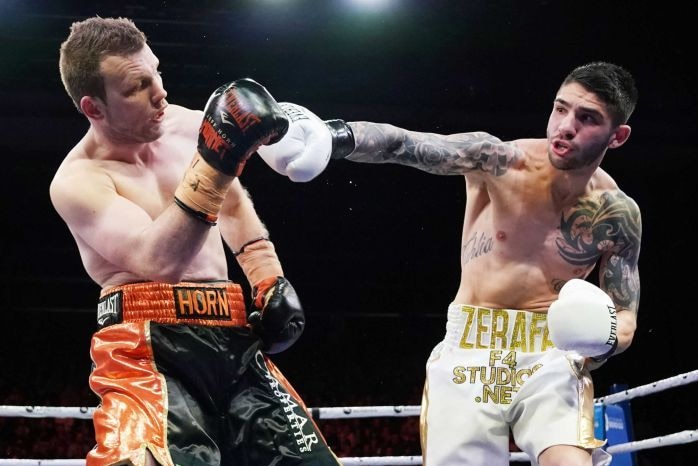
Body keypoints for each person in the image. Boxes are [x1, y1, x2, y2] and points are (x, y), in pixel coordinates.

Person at [256, 61, 641, 466]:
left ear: (617, 136)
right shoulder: (500, 161)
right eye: (561, 109)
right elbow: (403, 144)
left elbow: (625, 314)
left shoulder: (618, 214)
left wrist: (607, 336)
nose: (565, 126)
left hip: (550, 354)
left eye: (587, 119)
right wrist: (334, 136)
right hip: (471, 346)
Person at [50, 16, 341, 466]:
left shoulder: (188, 127)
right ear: (94, 108)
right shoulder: (78, 180)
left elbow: (233, 206)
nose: (160, 92)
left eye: (157, 72)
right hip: (147, 347)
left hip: (232, 333)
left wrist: (268, 276)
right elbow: (156, 258)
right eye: (137, 86)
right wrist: (217, 161)